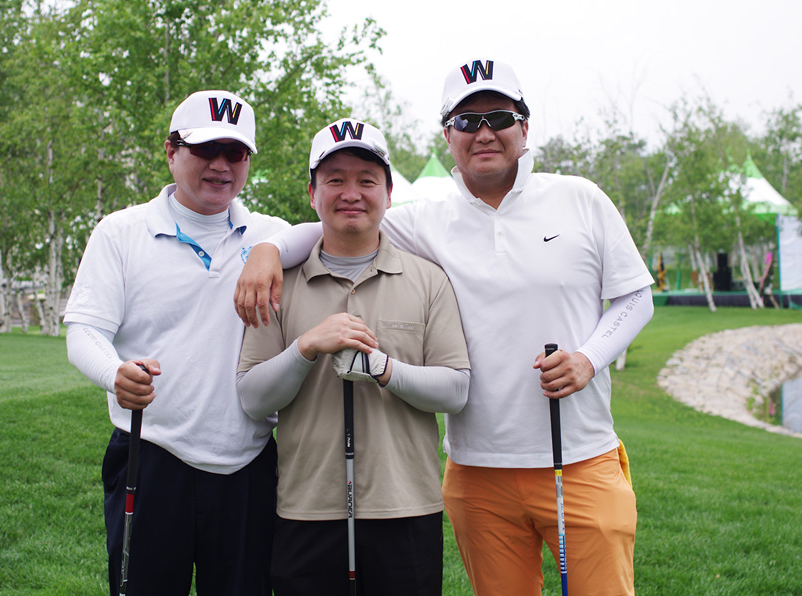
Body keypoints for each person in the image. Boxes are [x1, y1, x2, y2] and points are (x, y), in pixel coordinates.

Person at [233, 59, 655, 596]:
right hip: (475, 467)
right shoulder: (426, 221)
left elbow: (635, 296)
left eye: (499, 117)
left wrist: (589, 358)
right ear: (448, 135)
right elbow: (340, 223)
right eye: (466, 121)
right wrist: (268, 249)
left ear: (525, 128)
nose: (484, 132)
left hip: (578, 456)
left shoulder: (580, 198)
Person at [63, 90, 288, 596]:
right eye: (205, 149)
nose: (221, 165)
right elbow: (84, 330)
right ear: (170, 151)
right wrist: (113, 373)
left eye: (235, 152)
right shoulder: (120, 232)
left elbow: (334, 230)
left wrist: (270, 247)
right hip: (150, 454)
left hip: (248, 461)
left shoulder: (272, 233)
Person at [236, 119, 470, 595]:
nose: (351, 193)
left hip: (406, 506)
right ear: (312, 194)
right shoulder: (278, 282)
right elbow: (253, 398)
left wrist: (384, 370)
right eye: (335, 179)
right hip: (306, 507)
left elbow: (456, 390)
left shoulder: (429, 279)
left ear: (388, 193)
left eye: (366, 180)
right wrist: (305, 348)